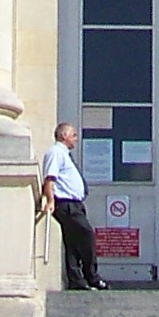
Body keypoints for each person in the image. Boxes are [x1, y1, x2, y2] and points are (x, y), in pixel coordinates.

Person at [40, 120, 105, 291]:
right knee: (86, 234)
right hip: (66, 204)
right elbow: (50, 178)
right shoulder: (56, 152)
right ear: (64, 136)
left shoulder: (65, 154)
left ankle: (76, 279)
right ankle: (92, 276)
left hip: (75, 204)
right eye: (73, 135)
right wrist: (51, 200)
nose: (76, 139)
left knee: (73, 242)